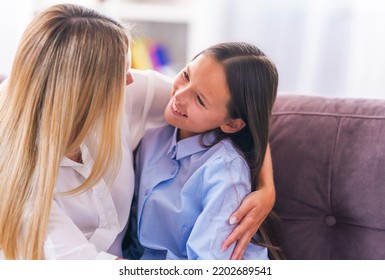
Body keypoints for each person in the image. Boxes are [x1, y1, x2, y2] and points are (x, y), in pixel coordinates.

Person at [0, 4, 275, 260]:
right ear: (85, 92)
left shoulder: (130, 95)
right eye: (121, 71)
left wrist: (265, 187)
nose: (132, 79)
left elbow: (237, 110)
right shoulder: (19, 174)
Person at [127, 42, 282, 260]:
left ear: (232, 124)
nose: (180, 95)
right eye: (186, 75)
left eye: (200, 100)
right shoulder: (154, 135)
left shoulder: (225, 171)